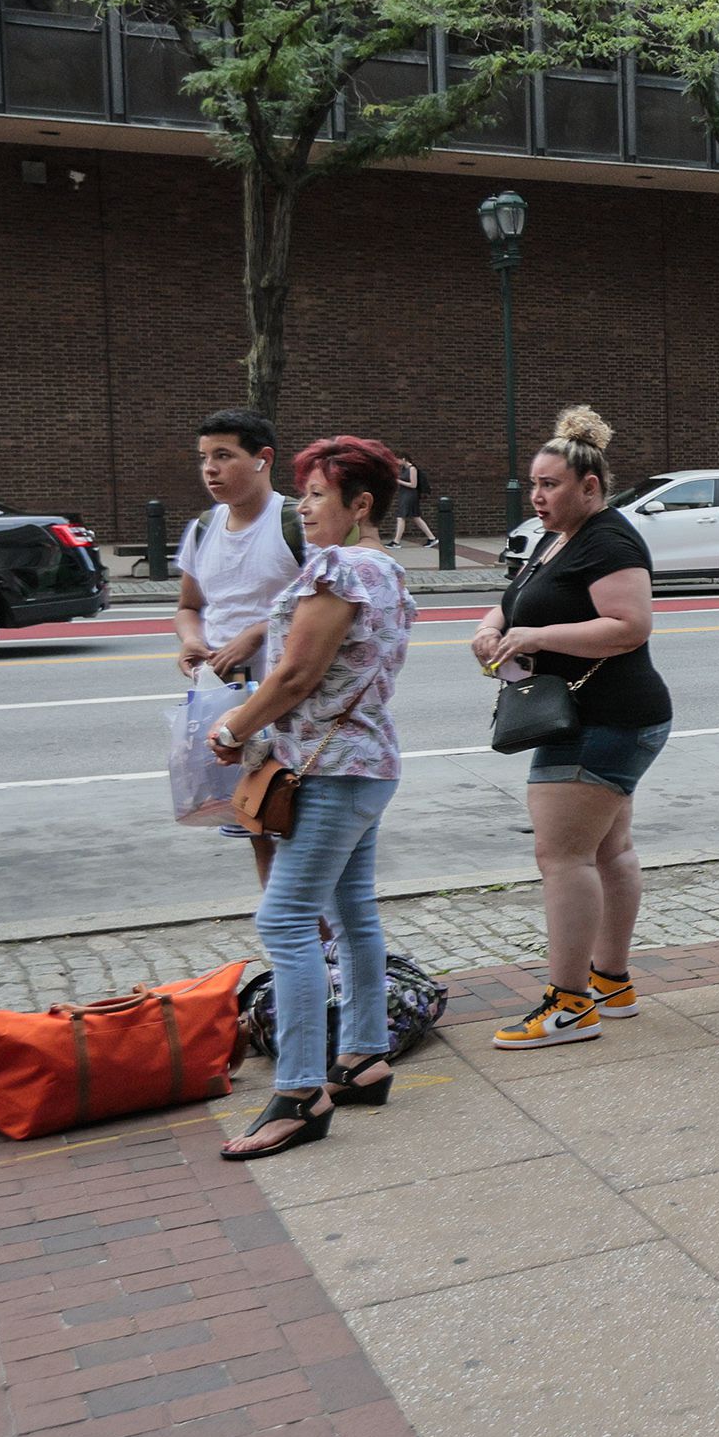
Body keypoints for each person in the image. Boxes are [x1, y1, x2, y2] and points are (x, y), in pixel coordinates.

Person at [205, 435, 415, 1158]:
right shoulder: (386, 569)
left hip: (330, 771)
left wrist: (234, 725)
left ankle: (300, 1092)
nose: (304, 507)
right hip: (368, 763)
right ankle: (361, 1056)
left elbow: (296, 677)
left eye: (318, 495)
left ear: (360, 504)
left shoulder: (339, 566)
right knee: (352, 913)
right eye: (303, 494)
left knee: (286, 918)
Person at [471, 407, 671, 1050]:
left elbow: (631, 625)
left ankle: (570, 1004)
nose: (537, 495)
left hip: (602, 715)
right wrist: (492, 627)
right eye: (534, 483)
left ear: (590, 486)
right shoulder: (553, 538)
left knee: (562, 856)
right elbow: (517, 599)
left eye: (551, 484)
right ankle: (609, 983)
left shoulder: (610, 540)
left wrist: (537, 635)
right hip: (598, 713)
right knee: (608, 851)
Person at [173, 408, 305, 881]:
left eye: (224, 456)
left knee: (296, 830)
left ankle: (319, 942)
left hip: (289, 702)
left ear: (262, 459)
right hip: (225, 704)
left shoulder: (296, 523)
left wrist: (256, 633)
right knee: (257, 829)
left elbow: (324, 610)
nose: (210, 468)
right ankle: (293, 945)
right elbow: (189, 606)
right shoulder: (203, 529)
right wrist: (192, 641)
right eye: (204, 457)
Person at [386, 454, 438, 550]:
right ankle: (432, 538)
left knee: (401, 517)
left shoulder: (412, 469)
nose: (397, 462)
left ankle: (396, 542)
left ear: (404, 459)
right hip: (404, 494)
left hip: (410, 495)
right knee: (416, 517)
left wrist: (398, 481)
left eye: (398, 460)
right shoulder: (404, 470)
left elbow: (413, 485)